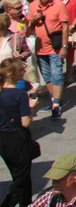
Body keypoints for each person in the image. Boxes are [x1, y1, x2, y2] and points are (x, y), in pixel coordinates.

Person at [26, 0, 68, 120]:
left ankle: (56, 104)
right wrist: (32, 21)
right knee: (47, 76)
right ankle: (54, 99)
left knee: (57, 75)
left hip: (54, 47)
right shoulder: (33, 6)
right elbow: (28, 31)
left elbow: (65, 27)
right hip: (40, 48)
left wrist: (64, 46)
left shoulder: (59, 5)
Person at [0, 58, 36, 207]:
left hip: (2, 140)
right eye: (21, 70)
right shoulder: (19, 94)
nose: (24, 71)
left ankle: (26, 204)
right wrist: (32, 107)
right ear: (11, 74)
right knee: (20, 181)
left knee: (21, 176)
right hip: (18, 140)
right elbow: (25, 122)